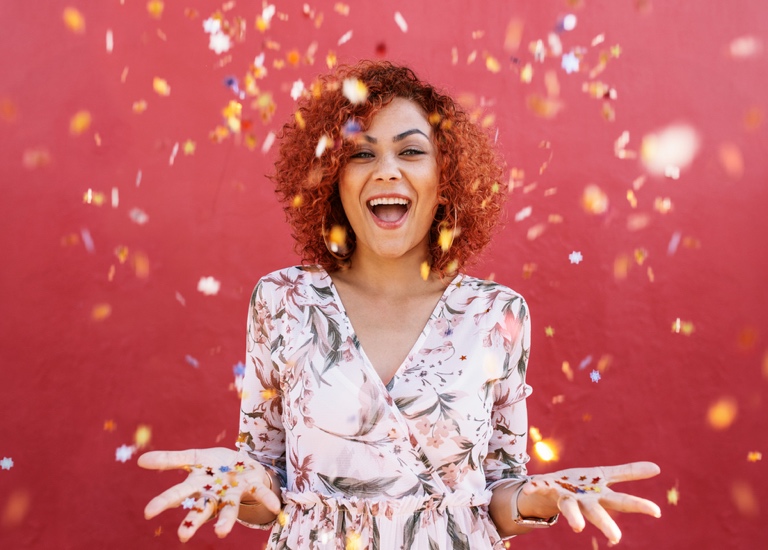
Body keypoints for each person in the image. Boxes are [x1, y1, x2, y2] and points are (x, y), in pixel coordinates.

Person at [139, 60, 661, 548]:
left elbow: (499, 491)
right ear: (333, 181)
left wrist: (541, 500)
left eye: (411, 151)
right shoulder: (283, 301)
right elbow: (265, 488)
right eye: (362, 153)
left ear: (446, 179)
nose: (386, 170)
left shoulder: (497, 314)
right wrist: (245, 483)